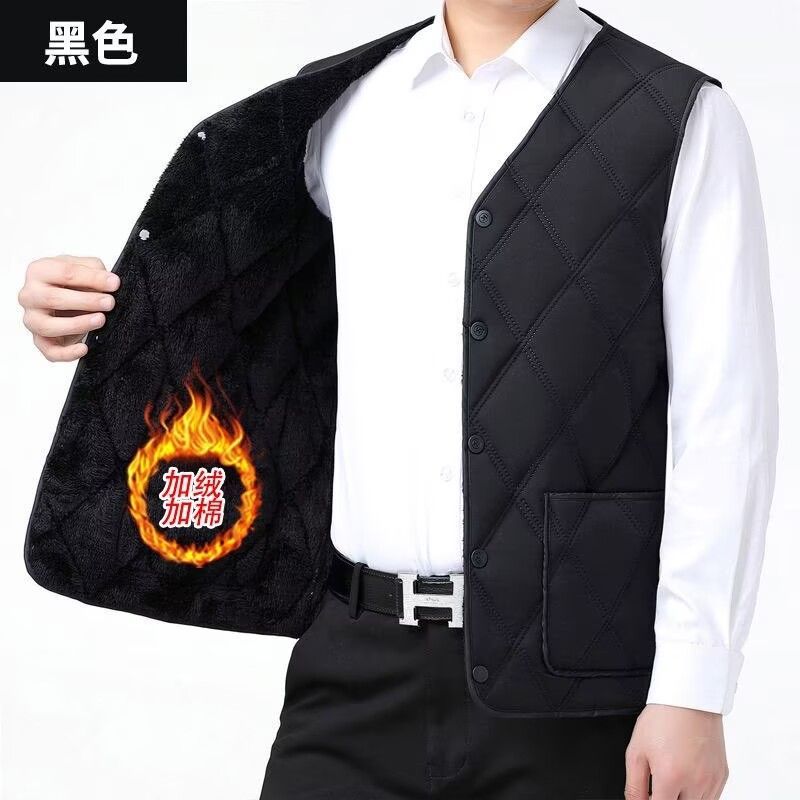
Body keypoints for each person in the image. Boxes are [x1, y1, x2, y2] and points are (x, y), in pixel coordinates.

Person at [17, 1, 778, 798]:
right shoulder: (337, 108)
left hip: (573, 678)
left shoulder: (682, 117)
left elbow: (725, 420)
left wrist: (693, 688)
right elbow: (232, 316)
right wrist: (91, 317)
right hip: (351, 662)